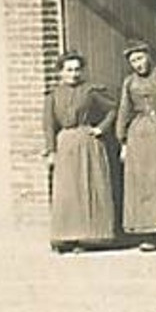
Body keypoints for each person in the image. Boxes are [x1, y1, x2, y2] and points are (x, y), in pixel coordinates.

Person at [43, 50, 117, 252]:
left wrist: (100, 128)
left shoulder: (91, 91)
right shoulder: (52, 95)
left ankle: (88, 237)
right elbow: (48, 125)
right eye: (69, 70)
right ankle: (66, 237)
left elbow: (113, 109)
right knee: (68, 191)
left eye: (77, 70)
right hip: (65, 143)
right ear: (60, 72)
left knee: (87, 187)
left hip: (87, 143)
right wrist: (51, 151)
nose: (74, 74)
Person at [116, 40, 156, 248]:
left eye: (140, 58)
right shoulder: (129, 82)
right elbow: (124, 110)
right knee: (142, 182)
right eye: (133, 61)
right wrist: (122, 141)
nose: (138, 64)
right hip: (138, 134)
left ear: (148, 56)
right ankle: (148, 234)